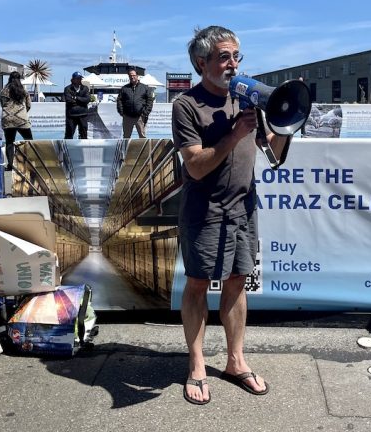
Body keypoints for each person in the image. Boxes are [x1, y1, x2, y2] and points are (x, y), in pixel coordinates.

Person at [171, 25, 287, 406]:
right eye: (224, 57)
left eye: (237, 56)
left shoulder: (246, 99)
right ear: (201, 62)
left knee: (238, 281)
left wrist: (287, 125)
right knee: (199, 284)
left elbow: (272, 154)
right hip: (204, 211)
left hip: (243, 207)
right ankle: (197, 363)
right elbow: (197, 168)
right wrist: (233, 135)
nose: (233, 65)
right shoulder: (186, 106)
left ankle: (235, 361)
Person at [0, 71, 33, 171]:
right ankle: (29, 163)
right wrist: (23, 113)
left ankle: (10, 166)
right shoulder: (23, 91)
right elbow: (29, 105)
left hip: (7, 119)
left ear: (9, 78)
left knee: (9, 142)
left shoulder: (4, 90)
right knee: (29, 140)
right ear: (19, 79)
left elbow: (2, 104)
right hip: (21, 119)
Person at [116, 69, 154, 138]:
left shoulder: (145, 88)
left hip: (140, 116)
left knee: (142, 137)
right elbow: (119, 100)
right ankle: (126, 149)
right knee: (126, 137)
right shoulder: (124, 88)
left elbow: (150, 100)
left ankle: (143, 149)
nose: (132, 77)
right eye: (130, 75)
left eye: (133, 75)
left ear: (137, 76)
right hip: (127, 116)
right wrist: (122, 112)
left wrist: (145, 112)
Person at [64, 71, 91, 139]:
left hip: (83, 114)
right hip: (71, 115)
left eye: (80, 78)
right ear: (73, 79)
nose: (79, 80)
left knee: (84, 135)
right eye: (77, 78)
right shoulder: (67, 89)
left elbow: (87, 100)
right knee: (69, 135)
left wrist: (76, 98)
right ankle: (67, 148)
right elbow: (69, 101)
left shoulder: (85, 88)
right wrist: (81, 101)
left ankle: (84, 148)